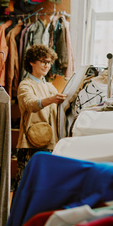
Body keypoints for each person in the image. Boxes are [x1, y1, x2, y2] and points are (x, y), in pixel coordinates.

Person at [13, 44, 67, 196]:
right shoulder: (25, 85)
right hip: (31, 142)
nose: (47, 65)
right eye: (43, 61)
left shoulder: (50, 86)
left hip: (50, 142)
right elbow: (30, 104)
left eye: (49, 62)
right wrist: (51, 99)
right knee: (24, 186)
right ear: (32, 62)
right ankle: (18, 219)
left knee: (42, 187)